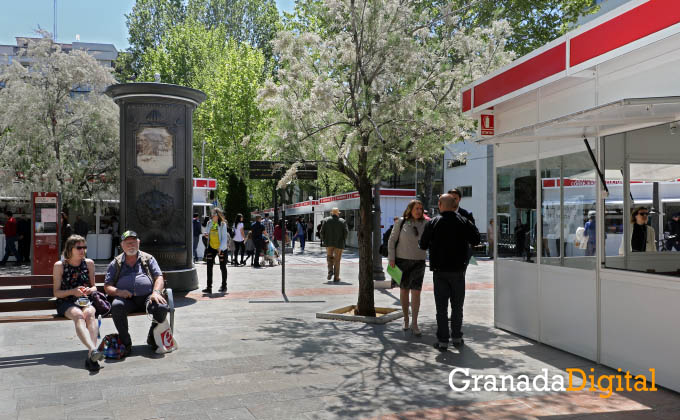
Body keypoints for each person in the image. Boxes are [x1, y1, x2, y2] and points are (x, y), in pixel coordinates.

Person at [419, 193, 480, 352]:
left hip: (440, 271)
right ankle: (457, 337)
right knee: (457, 306)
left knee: (441, 307)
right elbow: (476, 240)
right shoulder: (464, 221)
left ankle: (443, 340)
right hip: (459, 270)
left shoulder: (433, 222)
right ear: (454, 205)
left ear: (440, 204)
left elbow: (423, 244)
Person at [104, 231, 168, 358]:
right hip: (126, 299)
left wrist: (156, 292)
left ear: (138, 243)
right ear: (122, 245)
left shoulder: (148, 258)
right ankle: (126, 343)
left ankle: (152, 337)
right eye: (128, 243)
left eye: (133, 242)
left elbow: (158, 277)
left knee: (161, 307)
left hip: (147, 296)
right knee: (117, 306)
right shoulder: (115, 263)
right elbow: (107, 286)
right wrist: (118, 292)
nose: (131, 245)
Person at [53, 234, 103, 371]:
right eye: (79, 247)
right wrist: (72, 291)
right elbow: (56, 293)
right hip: (66, 301)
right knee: (78, 316)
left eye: (84, 247)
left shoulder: (89, 263)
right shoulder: (60, 266)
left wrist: (89, 290)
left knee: (90, 313)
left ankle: (91, 355)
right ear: (70, 249)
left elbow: (94, 287)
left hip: (84, 300)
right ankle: (93, 350)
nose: (83, 250)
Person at [388, 200, 427, 337]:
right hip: (401, 261)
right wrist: (391, 258)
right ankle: (406, 319)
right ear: (410, 209)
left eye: (421, 209)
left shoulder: (426, 224)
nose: (419, 211)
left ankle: (415, 323)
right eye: (416, 208)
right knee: (404, 291)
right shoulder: (401, 222)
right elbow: (392, 241)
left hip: (419, 262)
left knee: (416, 292)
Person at [202, 209, 229, 293]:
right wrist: (206, 235)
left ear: (218, 215)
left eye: (214, 214)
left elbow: (224, 238)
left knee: (222, 266)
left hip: (221, 248)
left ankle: (224, 286)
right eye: (212, 214)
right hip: (211, 247)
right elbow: (207, 232)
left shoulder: (222, 224)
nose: (212, 215)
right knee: (209, 266)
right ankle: (209, 287)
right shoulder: (209, 223)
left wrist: (220, 248)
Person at [320, 208, 348, 282]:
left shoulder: (326, 220)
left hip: (328, 243)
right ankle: (336, 277)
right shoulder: (342, 221)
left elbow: (322, 232)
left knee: (329, 258)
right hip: (339, 244)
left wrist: (325, 240)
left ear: (331, 213)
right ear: (337, 213)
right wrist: (343, 240)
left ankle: (330, 271)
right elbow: (346, 232)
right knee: (337, 260)